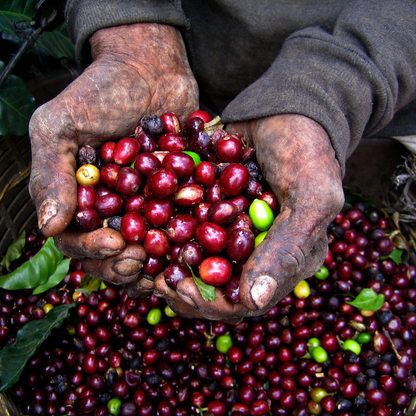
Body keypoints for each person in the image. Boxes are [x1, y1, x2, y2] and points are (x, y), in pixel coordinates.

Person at [28, 0, 416, 323]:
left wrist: (329, 93)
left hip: (381, 67)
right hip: (194, 44)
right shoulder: (178, 181)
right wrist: (130, 29)